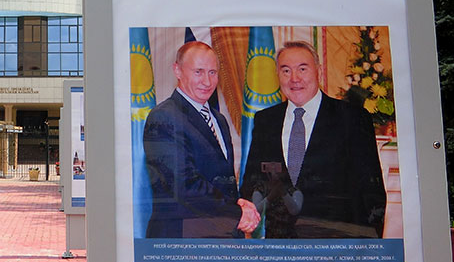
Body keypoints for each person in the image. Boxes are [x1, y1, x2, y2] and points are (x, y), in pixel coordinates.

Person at [240, 41, 386, 238]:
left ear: (318, 71)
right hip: (281, 246)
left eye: (302, 69)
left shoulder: (352, 118)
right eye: (286, 71)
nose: (294, 79)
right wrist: (246, 207)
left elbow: (371, 191)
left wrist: (366, 249)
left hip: (338, 247)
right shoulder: (266, 120)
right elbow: (254, 179)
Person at [143, 41, 259, 238]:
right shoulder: (163, 117)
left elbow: (222, 182)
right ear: (177, 71)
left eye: (212, 72)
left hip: (217, 241)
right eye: (198, 72)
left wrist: (239, 204)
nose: (207, 81)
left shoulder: (219, 120)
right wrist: (236, 213)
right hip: (182, 243)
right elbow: (184, 185)